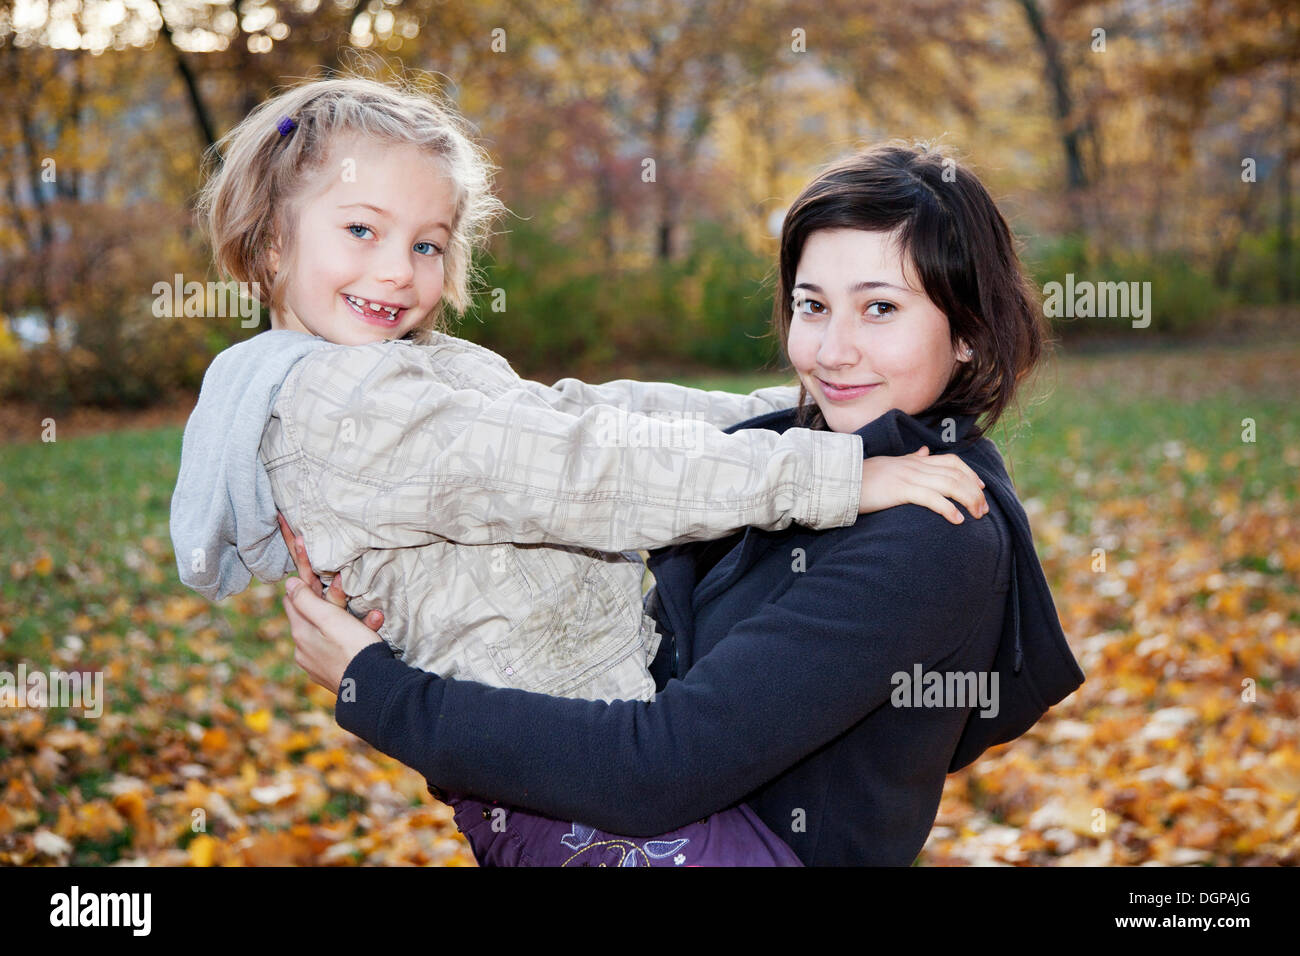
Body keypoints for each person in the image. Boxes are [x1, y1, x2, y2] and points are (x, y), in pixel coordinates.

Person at [169, 76, 990, 865]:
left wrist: (789, 411)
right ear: (273, 239)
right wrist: (834, 472)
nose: (397, 269)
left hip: (582, 761)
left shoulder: (402, 366)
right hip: (567, 794)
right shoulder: (345, 402)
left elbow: (579, 414)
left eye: (427, 244)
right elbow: (585, 466)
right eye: (362, 231)